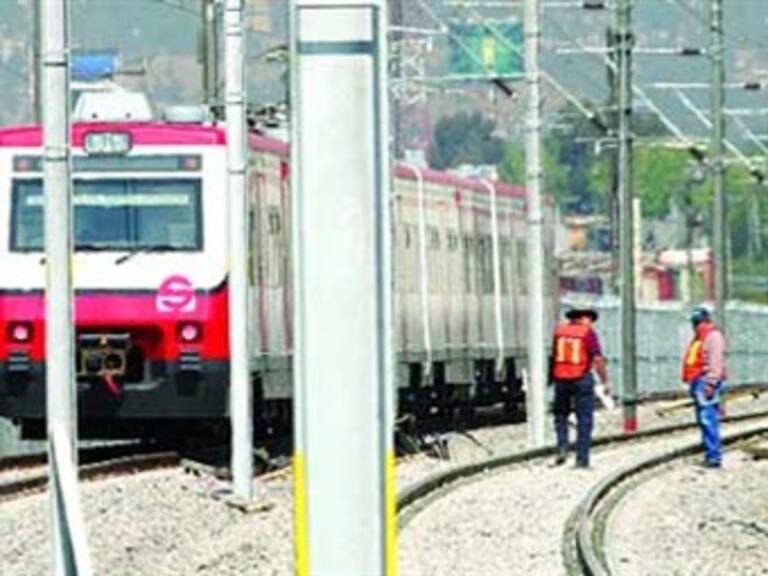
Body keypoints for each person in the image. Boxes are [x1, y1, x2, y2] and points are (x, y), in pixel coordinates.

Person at [551, 305, 610, 468]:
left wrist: (552, 378)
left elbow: (554, 356)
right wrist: (605, 381)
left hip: (561, 379)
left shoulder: (559, 332)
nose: (591, 323)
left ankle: (562, 446)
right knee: (584, 419)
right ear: (584, 318)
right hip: (581, 379)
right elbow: (597, 359)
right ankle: (582, 458)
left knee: (560, 415)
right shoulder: (588, 333)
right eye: (590, 319)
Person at [681, 306, 727, 468]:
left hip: (705, 381)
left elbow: (716, 361)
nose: (695, 326)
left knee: (708, 419)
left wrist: (711, 383)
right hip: (698, 381)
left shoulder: (713, 337)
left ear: (705, 322)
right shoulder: (699, 338)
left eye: (697, 322)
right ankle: (709, 453)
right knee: (704, 419)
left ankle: (714, 456)